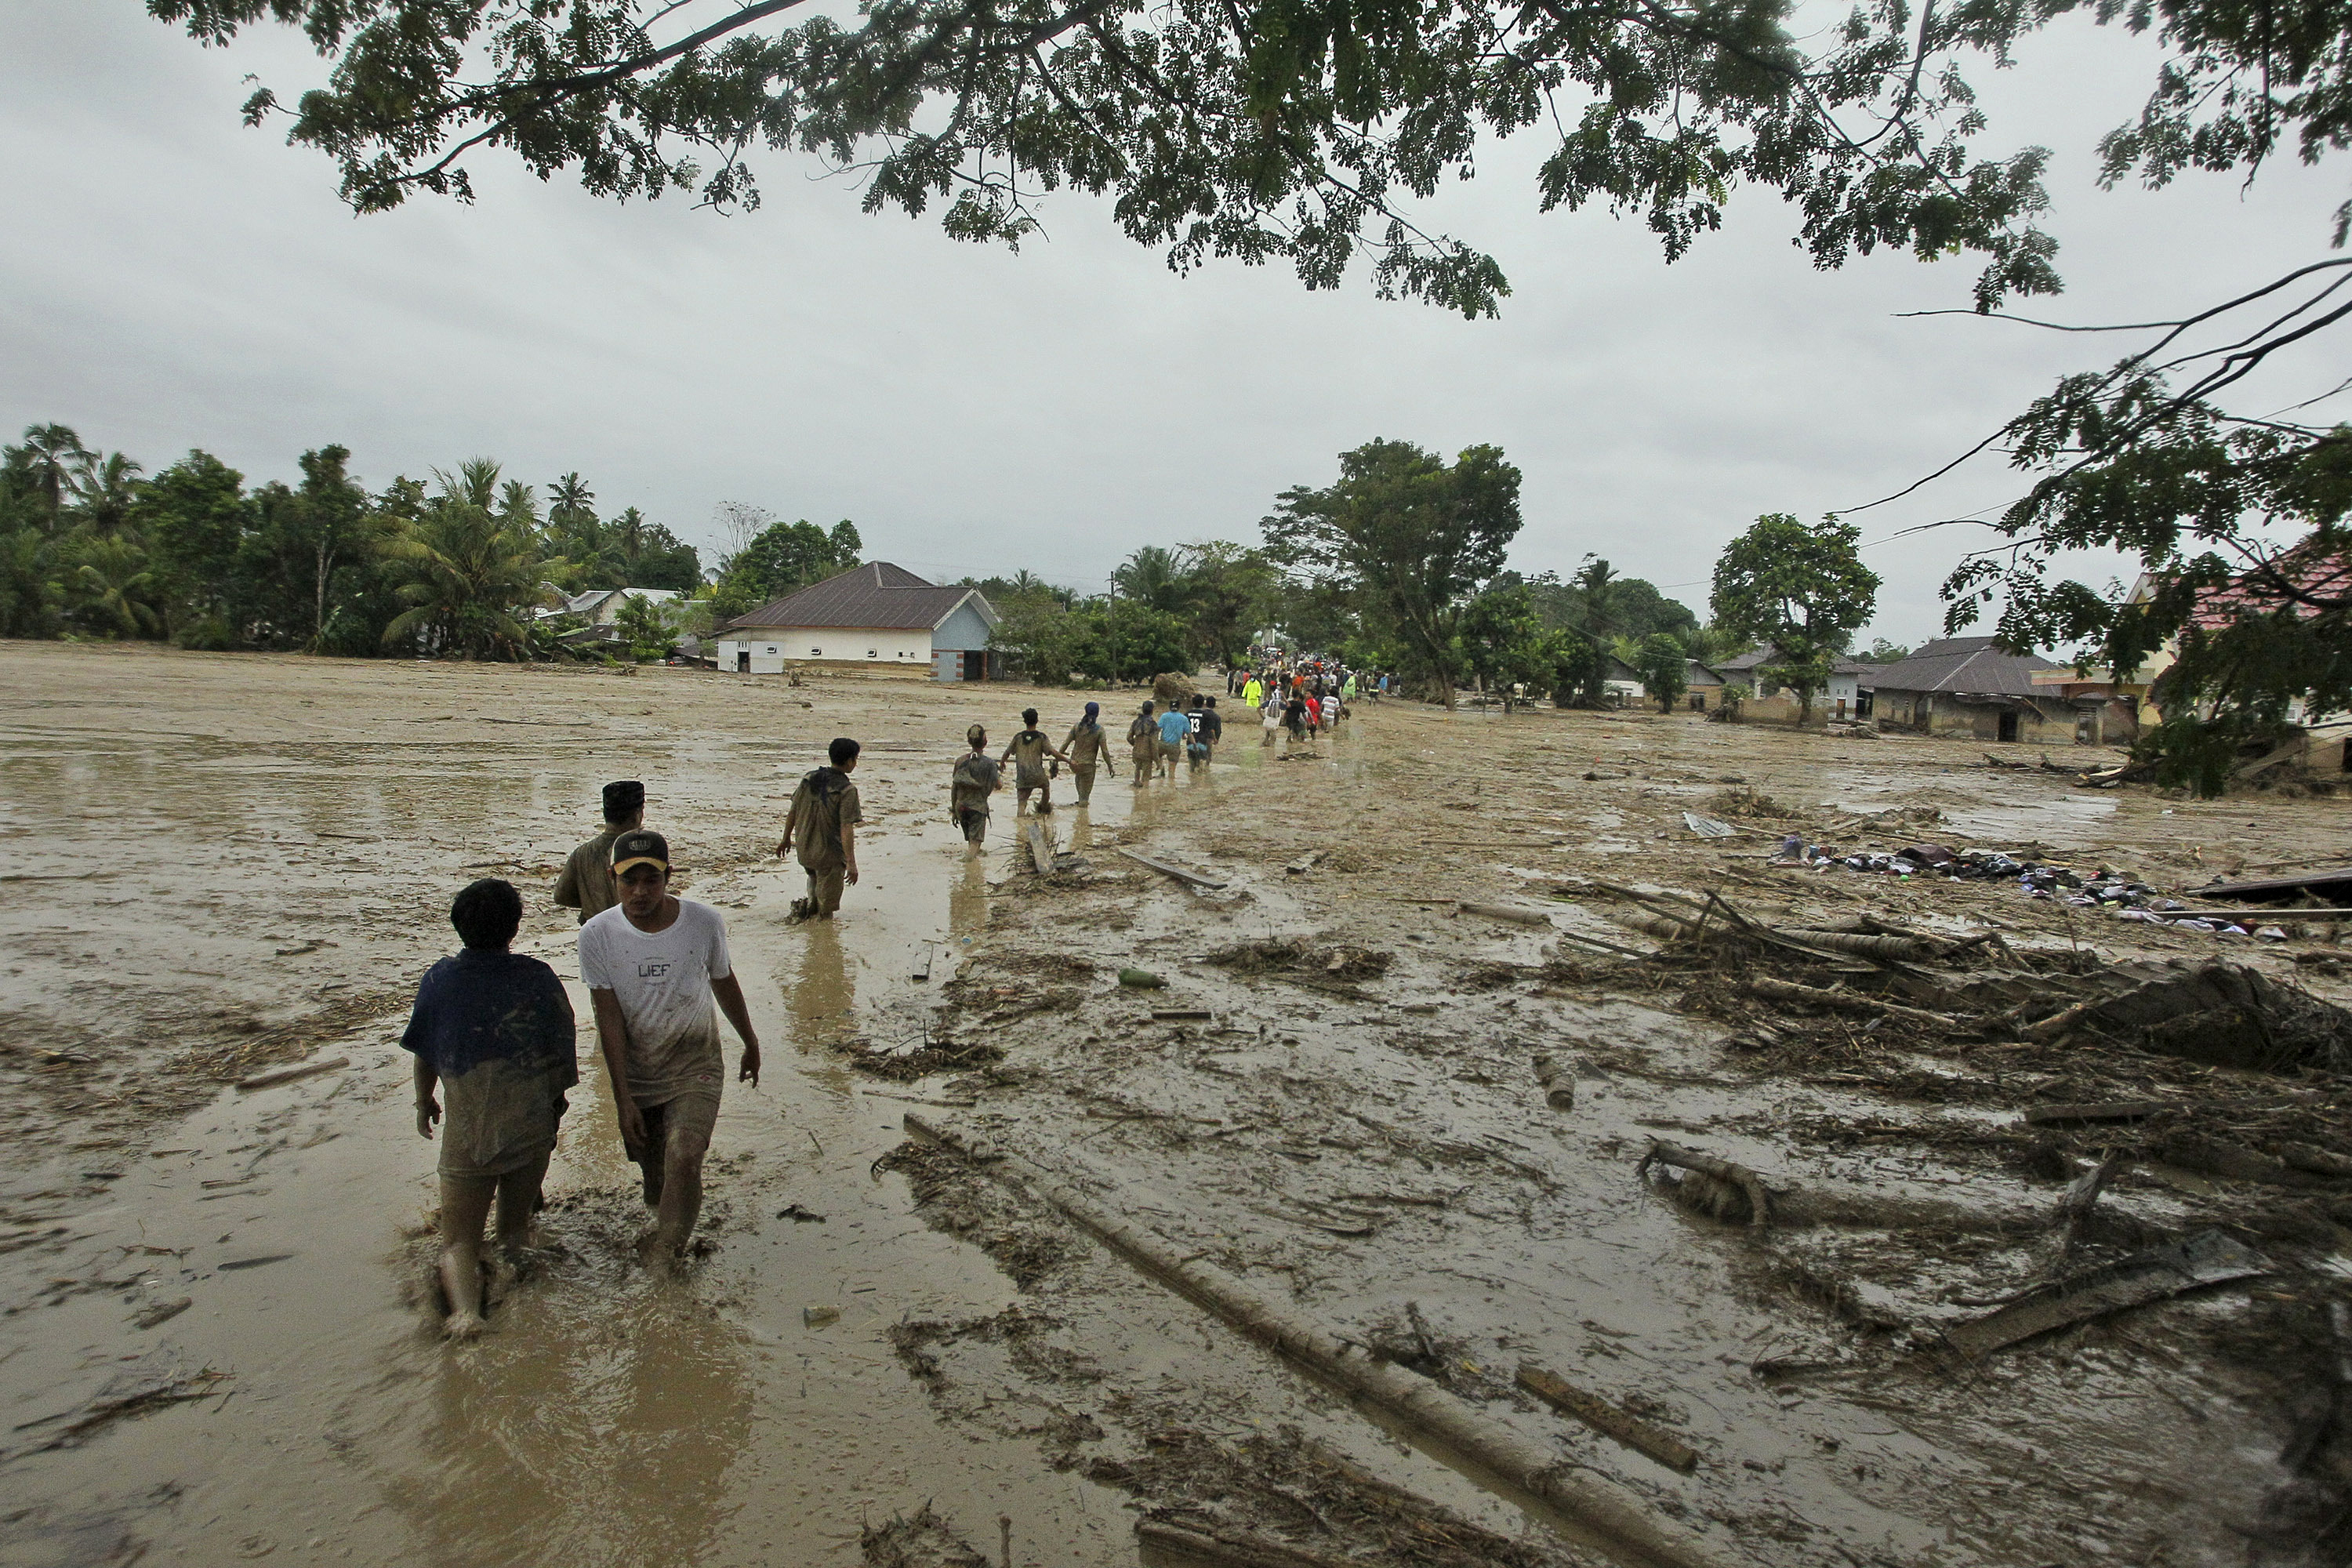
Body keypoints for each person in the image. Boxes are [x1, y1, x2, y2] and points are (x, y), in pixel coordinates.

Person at [580, 830, 761, 1272]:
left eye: (651, 881)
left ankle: (667, 1258)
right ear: (613, 879)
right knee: (656, 1179)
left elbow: (723, 980)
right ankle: (667, 1222)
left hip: (695, 1060)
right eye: (629, 882)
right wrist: (622, 1099)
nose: (640, 892)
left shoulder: (703, 923)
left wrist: (750, 1041)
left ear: (668, 876)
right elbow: (609, 1021)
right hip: (641, 1071)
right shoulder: (597, 935)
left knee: (683, 1152)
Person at [405, 877, 577, 1338]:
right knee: (515, 1233)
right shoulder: (538, 978)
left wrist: (424, 1101)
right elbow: (562, 1055)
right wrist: (553, 1114)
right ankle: (522, 1300)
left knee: (458, 1241)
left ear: (459, 926)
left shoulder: (440, 980)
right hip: (527, 1127)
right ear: (515, 928)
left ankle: (465, 1313)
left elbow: (426, 1052)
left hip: (468, 1133)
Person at [778, 738, 863, 920]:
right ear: (849, 762)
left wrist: (786, 839)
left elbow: (793, 811)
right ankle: (821, 938)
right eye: (855, 759)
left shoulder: (809, 779)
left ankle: (810, 910)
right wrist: (851, 862)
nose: (855, 763)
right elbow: (846, 828)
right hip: (829, 854)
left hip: (805, 849)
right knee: (827, 912)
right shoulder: (847, 790)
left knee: (814, 880)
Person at [552, 780, 643, 924]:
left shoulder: (581, 854)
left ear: (605, 814)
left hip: (594, 934)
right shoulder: (641, 852)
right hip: (632, 935)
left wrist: (589, 902)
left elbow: (561, 896)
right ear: (637, 815)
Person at [1000, 707, 1069, 815]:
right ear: (1037, 721)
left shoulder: (1018, 737)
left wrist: (1002, 763)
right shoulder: (1042, 737)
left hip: (1023, 775)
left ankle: (1021, 828)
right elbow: (1053, 752)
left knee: (1022, 804)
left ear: (1024, 721)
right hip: (1037, 774)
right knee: (1046, 788)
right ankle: (1043, 810)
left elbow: (1007, 753)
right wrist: (1069, 761)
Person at [950, 724, 1000, 857]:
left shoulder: (960, 761)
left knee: (971, 840)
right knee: (975, 843)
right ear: (985, 742)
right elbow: (998, 785)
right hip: (977, 808)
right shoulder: (990, 764)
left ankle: (973, 859)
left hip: (960, 807)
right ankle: (968, 869)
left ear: (969, 741)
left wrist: (953, 810)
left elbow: (954, 787)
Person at [1059, 702, 1116, 804]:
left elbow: (1065, 744)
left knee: (1079, 780)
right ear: (1097, 714)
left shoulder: (1076, 727)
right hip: (1088, 766)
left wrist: (1057, 758)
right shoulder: (1099, 731)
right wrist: (1110, 766)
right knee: (1084, 800)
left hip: (1074, 764)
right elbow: (1105, 751)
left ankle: (1080, 803)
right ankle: (1082, 815)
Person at [1127, 702, 1160, 785]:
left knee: (1137, 773)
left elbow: (1129, 737)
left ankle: (1136, 795)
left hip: (1137, 752)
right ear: (1152, 711)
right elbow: (1154, 744)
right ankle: (1143, 796)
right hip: (1147, 754)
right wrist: (1157, 761)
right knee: (1146, 780)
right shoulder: (1153, 725)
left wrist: (1135, 744)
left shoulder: (1136, 722)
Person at [1156, 699, 1190, 777]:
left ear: (1169, 707)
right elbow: (1188, 733)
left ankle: (1161, 768)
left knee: (1156, 753)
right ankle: (1171, 786)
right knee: (1172, 773)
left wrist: (1155, 741)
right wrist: (1194, 744)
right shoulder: (1184, 718)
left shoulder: (1164, 716)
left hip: (1162, 744)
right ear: (1179, 707)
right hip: (1174, 746)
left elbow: (1158, 729)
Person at [1200, 695, 1223, 761]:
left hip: (1198, 737)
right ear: (1214, 705)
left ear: (1206, 704)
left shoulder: (1200, 714)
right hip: (1208, 739)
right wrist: (1216, 739)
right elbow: (1217, 730)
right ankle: (1206, 769)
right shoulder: (1216, 717)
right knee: (1207, 758)